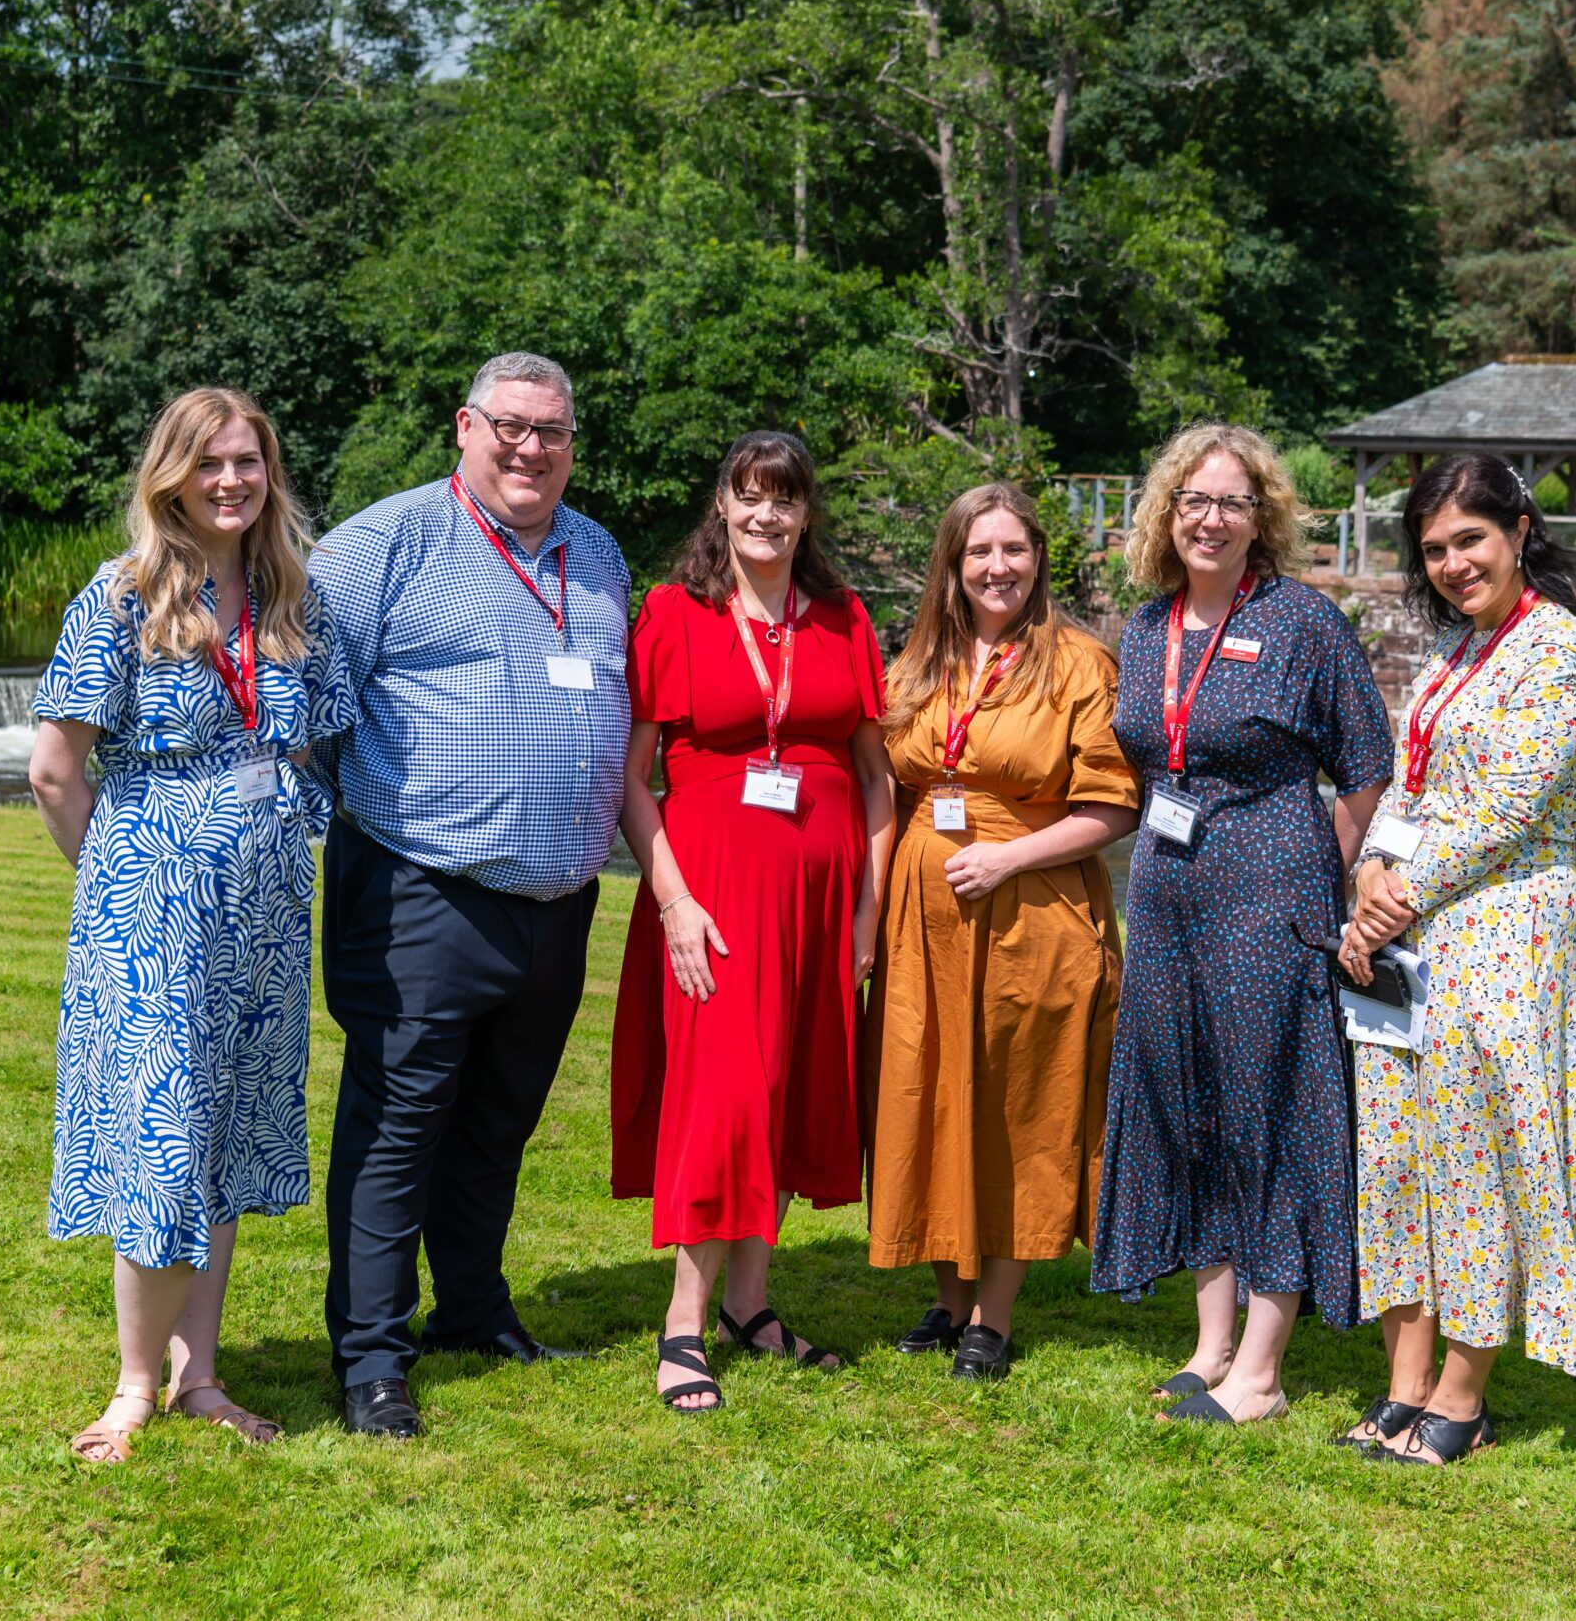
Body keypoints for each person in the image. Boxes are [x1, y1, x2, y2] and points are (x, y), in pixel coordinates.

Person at [305, 352, 631, 1440]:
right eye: (511, 425)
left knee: (497, 1127)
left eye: (552, 430)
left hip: (556, 898)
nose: (531, 447)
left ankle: (475, 1311)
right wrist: (364, 814)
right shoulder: (380, 545)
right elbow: (304, 702)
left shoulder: (598, 554)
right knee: (398, 1127)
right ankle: (370, 1359)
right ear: (464, 425)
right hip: (419, 888)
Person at [30, 386, 355, 1463]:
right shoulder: (119, 598)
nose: (230, 481)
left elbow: (320, 744)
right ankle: (133, 1385)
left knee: (227, 1139)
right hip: (154, 908)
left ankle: (200, 1374)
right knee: (164, 1141)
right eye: (209, 462)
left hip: (263, 907)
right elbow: (54, 770)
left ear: (271, 475)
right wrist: (125, 884)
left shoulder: (289, 595)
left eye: (248, 462)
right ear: (170, 475)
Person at [1089, 422, 1396, 1427]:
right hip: (1166, 893)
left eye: (1229, 501)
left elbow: (1362, 765)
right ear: (1164, 514)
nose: (1208, 518)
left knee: (1269, 1111)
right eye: (1191, 500)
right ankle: (1210, 1339)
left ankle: (1261, 1365)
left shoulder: (1303, 621)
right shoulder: (1145, 627)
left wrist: (1327, 875)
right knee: (1189, 1105)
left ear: (1261, 515)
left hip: (1269, 888)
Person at [609, 431, 896, 1414]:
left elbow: (876, 779)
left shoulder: (844, 617)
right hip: (714, 895)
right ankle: (682, 1323)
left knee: (781, 1091)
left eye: (785, 498)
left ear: (806, 512)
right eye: (749, 495)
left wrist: (867, 909)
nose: (767, 514)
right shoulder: (671, 611)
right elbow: (631, 779)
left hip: (820, 899)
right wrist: (672, 898)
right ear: (722, 505)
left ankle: (750, 1304)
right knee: (723, 1100)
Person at [1336, 453, 1576, 1468]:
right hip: (1412, 933)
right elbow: (1408, 784)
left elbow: (1504, 810)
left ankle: (1462, 1391)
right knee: (1401, 1157)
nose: (1454, 563)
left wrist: (1383, 905)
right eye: (1435, 549)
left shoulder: (1564, 652)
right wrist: (1368, 873)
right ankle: (1403, 1384)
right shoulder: (1455, 650)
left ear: (1519, 530)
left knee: (1478, 1158)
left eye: (1470, 540)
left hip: (1505, 928)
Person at [861, 483, 1139, 1381]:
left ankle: (995, 1312)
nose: (996, 567)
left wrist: (1008, 861)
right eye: (979, 551)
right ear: (952, 561)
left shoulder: (1078, 664)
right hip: (925, 917)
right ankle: (947, 1292)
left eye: (1013, 549)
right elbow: (887, 785)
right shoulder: (916, 662)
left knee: (1023, 1099)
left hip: (1033, 911)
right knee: (932, 1087)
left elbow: (1112, 804)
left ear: (1038, 560)